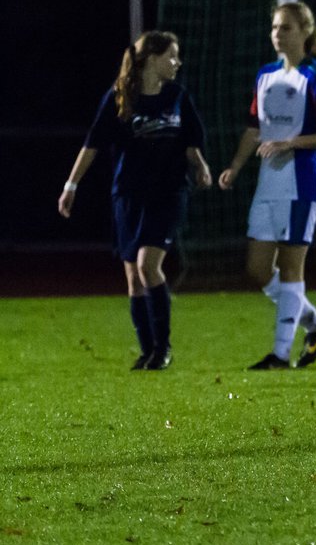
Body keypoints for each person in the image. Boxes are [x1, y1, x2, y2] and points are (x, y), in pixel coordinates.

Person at [58, 31, 212, 370]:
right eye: (172, 55)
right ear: (152, 59)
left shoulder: (178, 96)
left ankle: (163, 348)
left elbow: (190, 141)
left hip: (168, 193)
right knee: (132, 276)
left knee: (147, 265)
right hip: (128, 194)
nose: (177, 62)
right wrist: (71, 185)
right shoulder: (120, 97)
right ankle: (148, 351)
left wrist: (200, 166)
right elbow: (93, 143)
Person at [218, 1, 316, 370]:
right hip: (267, 184)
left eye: (285, 28)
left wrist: (291, 142)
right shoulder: (265, 74)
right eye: (274, 27)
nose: (277, 34)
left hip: (301, 184)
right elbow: (254, 129)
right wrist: (236, 166)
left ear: (305, 31)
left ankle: (279, 354)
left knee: (291, 269)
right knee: (257, 270)